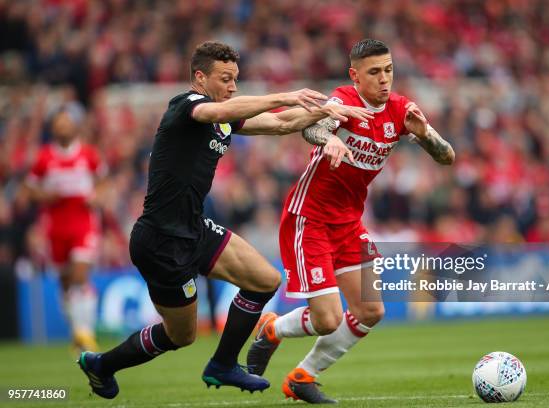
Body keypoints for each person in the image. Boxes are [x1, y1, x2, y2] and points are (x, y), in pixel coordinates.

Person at [76, 41, 373, 399]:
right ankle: (102, 365)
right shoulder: (186, 105)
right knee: (180, 335)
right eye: (225, 79)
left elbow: (281, 124)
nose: (232, 86)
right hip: (160, 240)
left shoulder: (226, 116)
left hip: (195, 228)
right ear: (200, 78)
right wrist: (287, 94)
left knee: (264, 280)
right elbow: (218, 113)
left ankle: (223, 364)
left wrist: (331, 111)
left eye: (236, 79)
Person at [247, 39, 455, 403]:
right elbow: (311, 129)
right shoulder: (343, 100)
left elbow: (447, 156)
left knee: (371, 310)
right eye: (374, 72)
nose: (384, 79)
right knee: (326, 319)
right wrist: (329, 139)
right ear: (355, 76)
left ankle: (302, 376)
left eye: (388, 70)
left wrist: (424, 135)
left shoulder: (401, 110)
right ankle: (272, 328)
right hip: (309, 218)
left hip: (348, 223)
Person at [25, 103, 105, 353]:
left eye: (67, 123)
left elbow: (104, 183)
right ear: (53, 128)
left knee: (80, 276)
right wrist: (44, 195)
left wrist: (97, 196)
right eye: (59, 124)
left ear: (75, 126)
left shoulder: (88, 154)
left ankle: (86, 333)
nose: (63, 127)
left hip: (83, 223)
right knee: (65, 282)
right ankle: (77, 332)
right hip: (55, 227)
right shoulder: (44, 157)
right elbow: (29, 189)